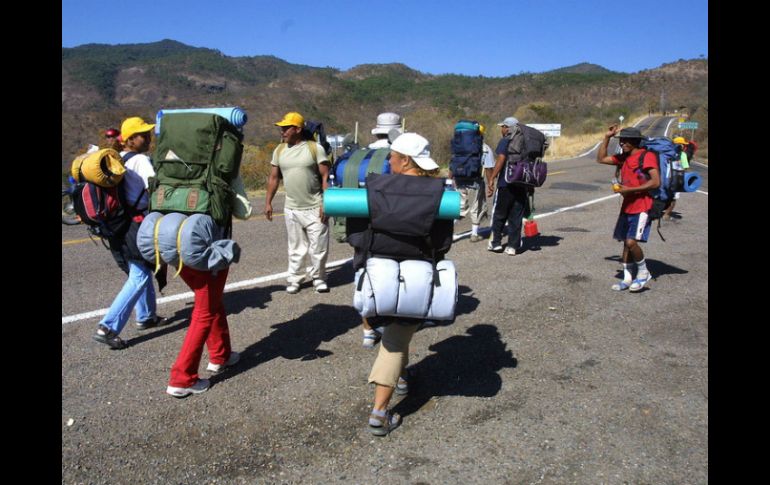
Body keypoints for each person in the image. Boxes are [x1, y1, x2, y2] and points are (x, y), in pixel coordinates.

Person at [347, 132, 454, 436]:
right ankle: (379, 413)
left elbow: (356, 234)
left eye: (392, 156)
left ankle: (401, 379)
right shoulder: (439, 192)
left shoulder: (375, 186)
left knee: (394, 333)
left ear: (405, 160)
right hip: (416, 278)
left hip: (376, 277)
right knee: (396, 338)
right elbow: (442, 242)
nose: (389, 161)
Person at [92, 117, 165, 349]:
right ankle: (107, 327)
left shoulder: (118, 158)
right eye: (144, 135)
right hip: (136, 224)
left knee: (139, 267)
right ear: (131, 139)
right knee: (141, 273)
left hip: (118, 224)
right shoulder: (141, 160)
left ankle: (146, 316)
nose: (149, 138)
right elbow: (155, 190)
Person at [265, 112, 331, 294]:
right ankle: (295, 279)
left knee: (318, 246)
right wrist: (268, 202)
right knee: (295, 247)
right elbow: (273, 178)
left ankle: (319, 278)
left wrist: (327, 203)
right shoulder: (279, 151)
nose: (282, 131)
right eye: (282, 128)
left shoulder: (314, 148)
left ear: (298, 129)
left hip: (315, 206)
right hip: (292, 208)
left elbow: (325, 176)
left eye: (286, 128)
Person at [596, 125, 660, 292]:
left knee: (632, 242)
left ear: (635, 141)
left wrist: (628, 190)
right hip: (627, 206)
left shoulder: (647, 156)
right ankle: (627, 278)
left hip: (643, 206)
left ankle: (643, 272)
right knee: (625, 243)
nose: (622, 143)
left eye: (626, 140)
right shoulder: (624, 158)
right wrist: (607, 137)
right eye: (621, 140)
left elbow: (655, 182)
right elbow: (601, 159)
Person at [361, 112, 403, 348]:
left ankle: (367, 329)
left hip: (363, 222)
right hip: (390, 223)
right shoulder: (397, 155)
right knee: (390, 276)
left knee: (365, 276)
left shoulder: (363, 154)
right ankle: (389, 327)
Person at [486, 117, 531, 255]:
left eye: (503, 126)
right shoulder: (526, 142)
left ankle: (496, 243)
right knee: (516, 216)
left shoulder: (506, 141)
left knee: (499, 214)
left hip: (506, 183)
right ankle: (512, 246)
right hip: (522, 184)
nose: (502, 129)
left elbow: (501, 159)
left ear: (508, 128)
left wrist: (492, 178)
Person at [451, 123, 494, 243]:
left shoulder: (459, 147)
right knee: (476, 206)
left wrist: (450, 180)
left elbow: (452, 164)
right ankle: (474, 234)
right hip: (475, 182)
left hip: (459, 180)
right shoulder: (484, 148)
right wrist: (491, 183)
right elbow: (489, 167)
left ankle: (449, 233)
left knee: (460, 207)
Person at [663, 136, 691, 220]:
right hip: (677, 178)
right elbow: (685, 167)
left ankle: (658, 211)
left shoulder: (666, 152)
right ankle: (666, 214)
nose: (684, 146)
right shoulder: (683, 155)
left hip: (665, 177)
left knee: (664, 195)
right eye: (683, 145)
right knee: (673, 198)